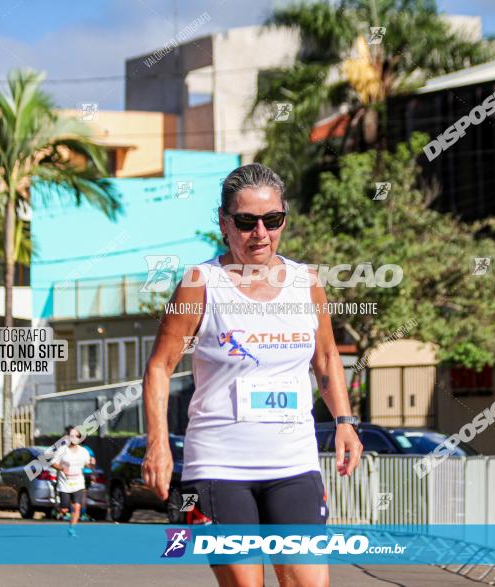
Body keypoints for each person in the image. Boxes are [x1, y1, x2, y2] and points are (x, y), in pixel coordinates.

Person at [142, 163, 363, 586]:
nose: (260, 232)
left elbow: (327, 357)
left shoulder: (306, 282)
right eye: (246, 222)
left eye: (272, 220)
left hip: (293, 463)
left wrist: (345, 422)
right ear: (225, 223)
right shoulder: (200, 283)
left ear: (283, 219)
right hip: (219, 465)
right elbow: (159, 367)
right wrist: (158, 445)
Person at [52, 425, 94, 536]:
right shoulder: (62, 450)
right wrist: (61, 468)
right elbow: (53, 463)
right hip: (64, 484)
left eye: (76, 436)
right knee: (65, 510)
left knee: (77, 507)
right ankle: (59, 509)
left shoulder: (84, 452)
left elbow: (88, 465)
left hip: (78, 483)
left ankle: (72, 528)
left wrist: (91, 464)